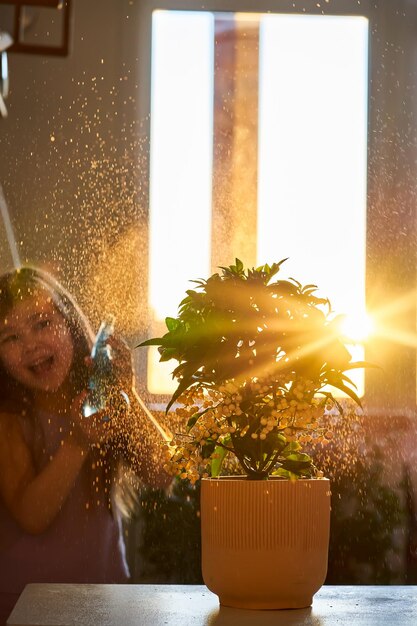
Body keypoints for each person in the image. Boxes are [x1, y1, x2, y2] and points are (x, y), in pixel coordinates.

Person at [0, 266, 169, 624]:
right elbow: (32, 517)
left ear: (71, 326)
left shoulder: (99, 398)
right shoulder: (8, 417)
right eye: (9, 337)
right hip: (23, 605)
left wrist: (126, 394)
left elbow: (161, 472)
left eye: (42, 324)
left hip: (106, 593)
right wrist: (77, 442)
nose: (30, 345)